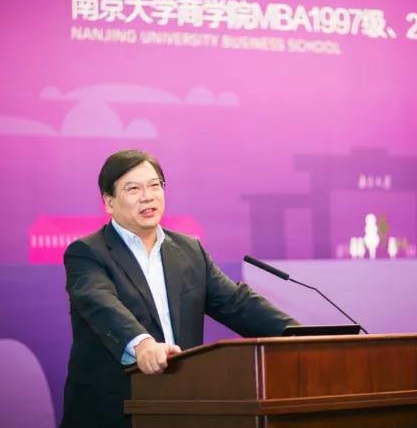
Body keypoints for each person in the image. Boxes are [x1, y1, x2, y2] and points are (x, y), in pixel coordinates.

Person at [60, 149, 298, 428]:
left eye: (154, 185)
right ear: (109, 202)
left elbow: (237, 303)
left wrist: (300, 337)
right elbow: (101, 304)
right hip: (111, 411)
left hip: (178, 406)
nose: (148, 196)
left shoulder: (189, 250)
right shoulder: (87, 253)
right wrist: (143, 345)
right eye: (133, 189)